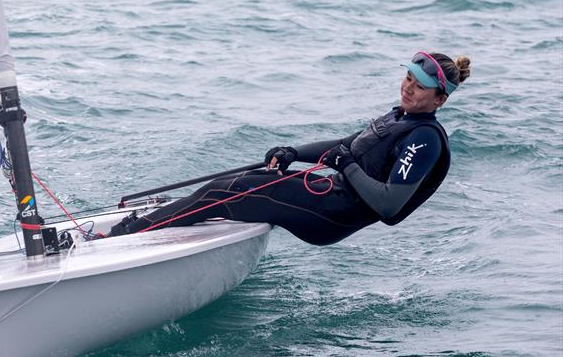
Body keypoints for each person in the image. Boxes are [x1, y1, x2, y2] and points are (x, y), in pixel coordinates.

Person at [109, 52, 471, 245]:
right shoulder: (400, 118)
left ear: (439, 99)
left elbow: (389, 203)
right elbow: (346, 147)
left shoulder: (424, 139)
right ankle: (156, 228)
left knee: (230, 190)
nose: (408, 88)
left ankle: (132, 233)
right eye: (408, 77)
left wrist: (346, 166)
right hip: (333, 196)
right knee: (247, 180)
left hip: (335, 214)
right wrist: (294, 152)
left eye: (419, 86)